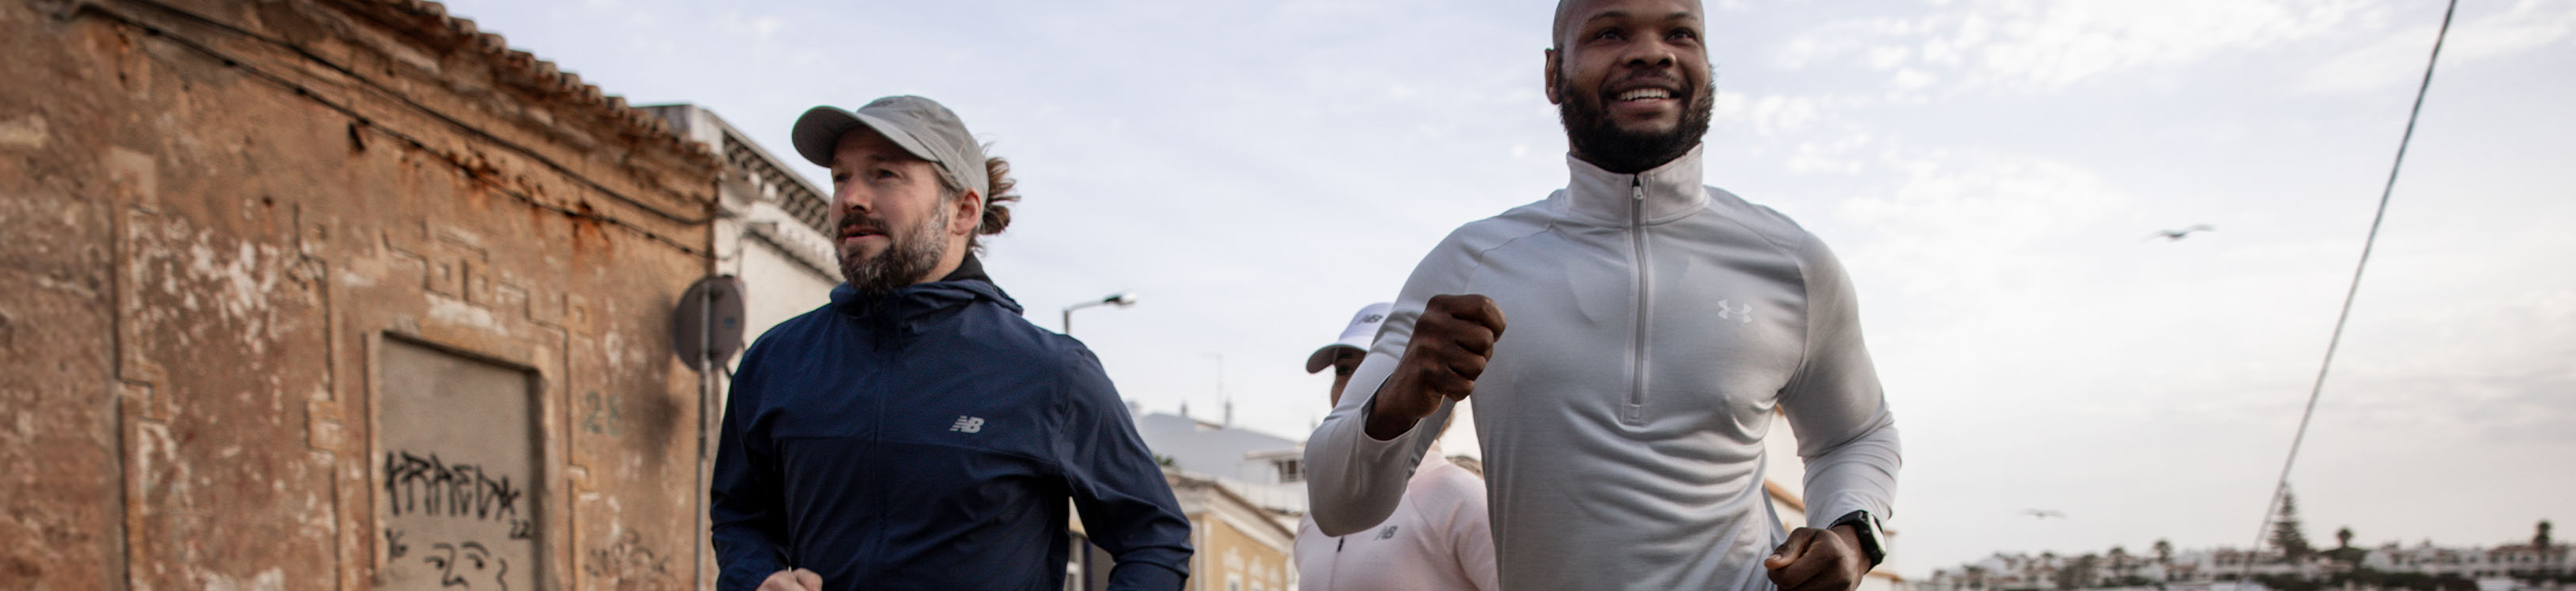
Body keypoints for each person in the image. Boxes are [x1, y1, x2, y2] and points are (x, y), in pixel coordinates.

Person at [1299, 1, 1903, 589]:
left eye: (1680, 33)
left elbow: (1856, 433)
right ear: (1552, 73)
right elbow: (1336, 506)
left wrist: (1851, 533)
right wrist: (1402, 396)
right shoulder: (1470, 263)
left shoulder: (1791, 262)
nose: (1651, 53)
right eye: (1610, 33)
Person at [712, 95, 1193, 591]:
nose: (851, 198)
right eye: (841, 177)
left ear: (963, 211)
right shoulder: (778, 361)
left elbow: (1154, 539)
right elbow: (740, 515)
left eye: (884, 174)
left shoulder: (1052, 373)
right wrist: (757, 580)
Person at [1293, 303, 1499, 591]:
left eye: (1372, 365)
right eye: (1344, 369)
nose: (1355, 384)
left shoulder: (1460, 498)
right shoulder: (1311, 525)